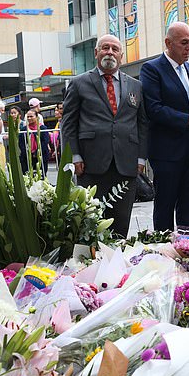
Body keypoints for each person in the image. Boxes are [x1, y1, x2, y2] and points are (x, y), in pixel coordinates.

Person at [62, 34, 148, 238]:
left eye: (114, 49)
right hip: (90, 165)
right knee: (89, 224)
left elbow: (142, 124)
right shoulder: (78, 83)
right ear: (96, 53)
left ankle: (117, 265)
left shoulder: (136, 86)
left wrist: (141, 157)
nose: (110, 52)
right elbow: (68, 124)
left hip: (126, 165)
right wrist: (74, 156)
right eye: (105, 48)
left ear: (121, 56)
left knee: (120, 226)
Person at [140, 22, 189, 231]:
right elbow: (154, 108)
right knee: (165, 205)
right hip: (166, 152)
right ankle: (164, 253)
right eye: (184, 43)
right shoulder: (152, 69)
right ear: (168, 43)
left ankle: (186, 247)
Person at [18, 109, 49, 175]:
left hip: (41, 156)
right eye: (28, 117)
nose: (29, 118)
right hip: (26, 156)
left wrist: (36, 152)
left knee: (41, 175)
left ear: (37, 117)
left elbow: (45, 142)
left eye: (31, 116)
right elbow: (21, 143)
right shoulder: (24, 129)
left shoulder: (43, 128)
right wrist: (27, 152)